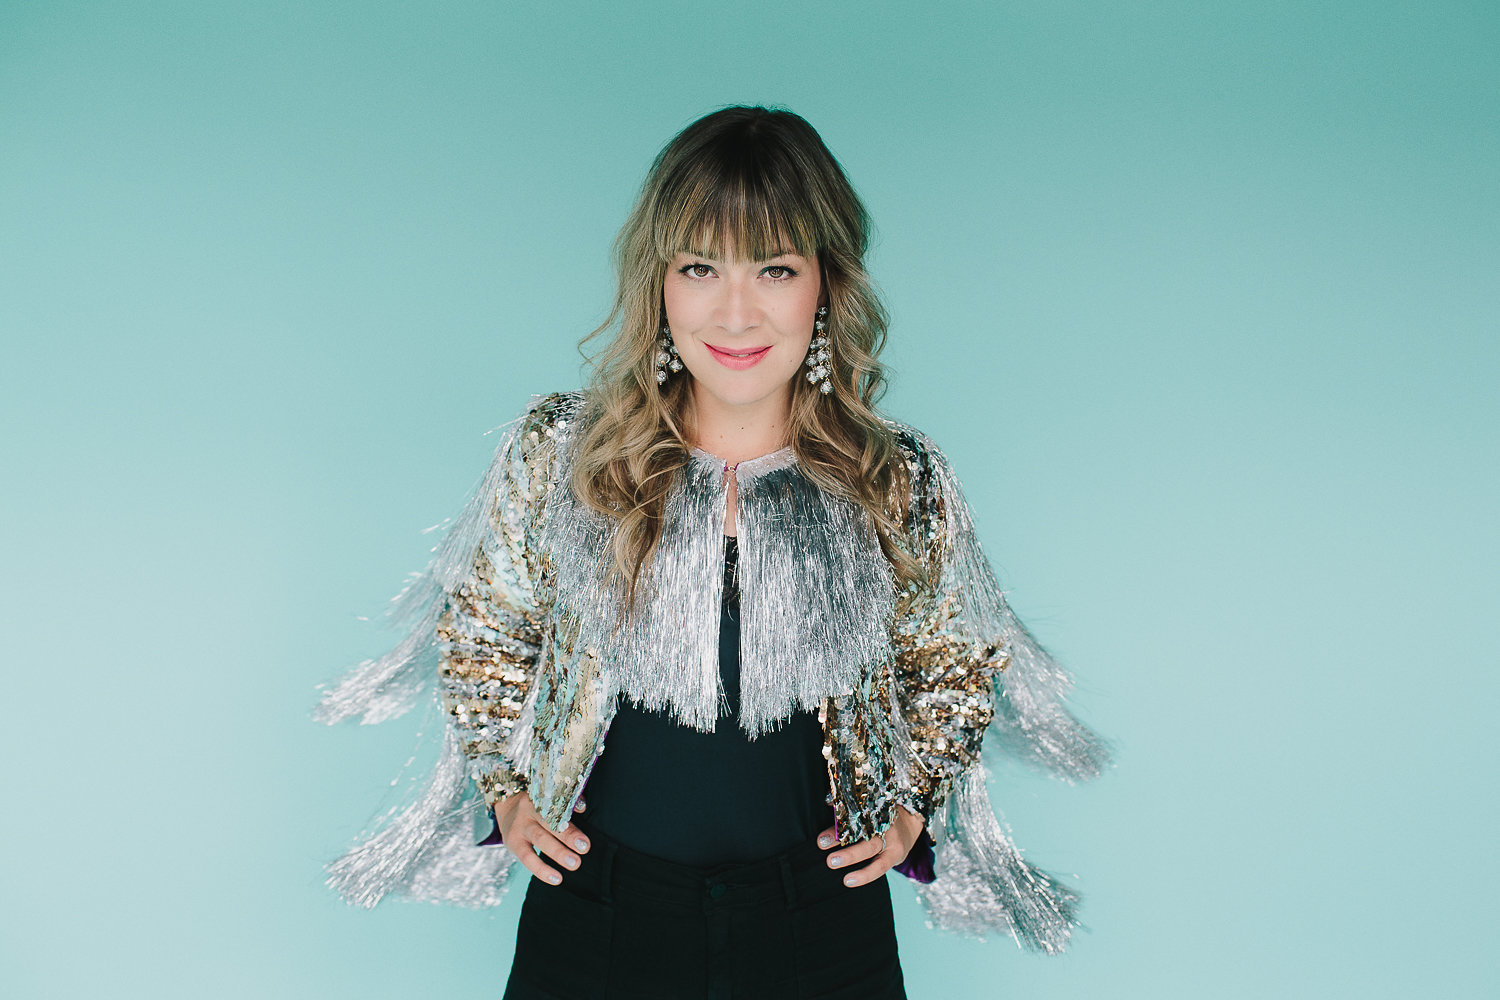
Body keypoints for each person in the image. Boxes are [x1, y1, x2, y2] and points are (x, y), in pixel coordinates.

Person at [313, 105, 1109, 999]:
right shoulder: (563, 457)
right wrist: (506, 789)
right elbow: (488, 630)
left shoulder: (895, 479)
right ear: (660, 285)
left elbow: (954, 659)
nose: (736, 311)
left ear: (826, 285)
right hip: (597, 918)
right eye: (700, 267)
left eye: (774, 268)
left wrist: (912, 800)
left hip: (820, 927)